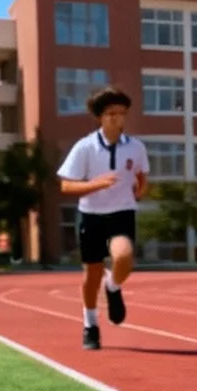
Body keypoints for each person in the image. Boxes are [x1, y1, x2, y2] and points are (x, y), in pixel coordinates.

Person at [56, 86, 148, 350]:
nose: (117, 118)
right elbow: (66, 186)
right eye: (110, 114)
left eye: (121, 113)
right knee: (92, 273)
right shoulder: (84, 147)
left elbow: (141, 175)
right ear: (100, 117)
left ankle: (114, 285)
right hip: (91, 215)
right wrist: (95, 184)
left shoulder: (136, 147)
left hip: (122, 212)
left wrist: (140, 188)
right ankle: (90, 325)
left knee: (123, 257)